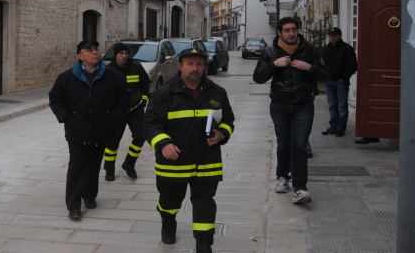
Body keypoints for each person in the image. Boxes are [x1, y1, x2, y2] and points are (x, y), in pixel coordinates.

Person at [145, 48, 235, 253]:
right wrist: (163, 144)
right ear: (181, 65)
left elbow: (229, 121)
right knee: (169, 202)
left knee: (204, 205)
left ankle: (204, 245)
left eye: (200, 64)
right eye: (191, 63)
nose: (196, 68)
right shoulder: (164, 93)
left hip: (207, 162)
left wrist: (222, 133)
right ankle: (168, 221)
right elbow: (150, 124)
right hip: (174, 164)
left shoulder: (217, 92)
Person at [49, 40, 127, 222]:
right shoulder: (67, 77)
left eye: (96, 50)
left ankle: (89, 195)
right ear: (79, 55)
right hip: (77, 130)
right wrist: (66, 117)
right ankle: (74, 205)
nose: (94, 53)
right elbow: (55, 98)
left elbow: (123, 101)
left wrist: (113, 119)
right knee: (76, 166)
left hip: (101, 130)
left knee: (93, 165)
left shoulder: (112, 76)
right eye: (89, 50)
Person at [253, 17, 328, 204]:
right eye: (286, 30)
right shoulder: (270, 52)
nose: (291, 33)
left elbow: (326, 74)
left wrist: (309, 67)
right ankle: (282, 177)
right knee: (284, 142)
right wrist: (273, 65)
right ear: (280, 33)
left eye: (294, 29)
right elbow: (258, 78)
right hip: (279, 104)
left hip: (303, 104)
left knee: (300, 144)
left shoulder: (309, 50)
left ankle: (300, 188)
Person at [103, 43, 151, 181]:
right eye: (121, 53)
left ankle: (129, 164)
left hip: (135, 109)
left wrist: (144, 99)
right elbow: (104, 92)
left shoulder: (136, 67)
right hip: (116, 111)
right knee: (112, 141)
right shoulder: (108, 70)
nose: (124, 56)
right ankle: (109, 168)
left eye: (126, 53)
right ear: (115, 55)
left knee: (140, 136)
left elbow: (145, 84)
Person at [321, 27, 358, 137]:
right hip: (329, 81)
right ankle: (333, 126)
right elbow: (321, 63)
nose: (331, 37)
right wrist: (325, 76)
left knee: (341, 105)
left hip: (341, 82)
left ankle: (341, 128)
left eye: (334, 35)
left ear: (339, 36)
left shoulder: (347, 49)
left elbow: (353, 66)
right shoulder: (325, 49)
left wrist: (343, 77)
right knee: (332, 105)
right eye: (330, 35)